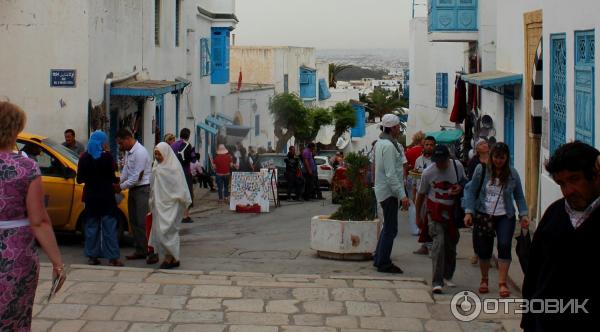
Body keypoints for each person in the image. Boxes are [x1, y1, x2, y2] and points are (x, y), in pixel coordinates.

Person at [521, 142, 600, 331]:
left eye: (575, 179)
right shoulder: (553, 215)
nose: (568, 191)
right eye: (562, 183)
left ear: (596, 176)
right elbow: (533, 275)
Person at [0, 101, 64, 330]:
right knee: (14, 318)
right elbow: (39, 220)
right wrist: (58, 263)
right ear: (16, 129)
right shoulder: (26, 168)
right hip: (15, 256)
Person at [463, 142, 529, 297]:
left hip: (506, 216)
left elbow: (519, 195)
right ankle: (484, 279)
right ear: (492, 157)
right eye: (496, 157)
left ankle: (502, 283)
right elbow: (471, 191)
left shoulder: (512, 174)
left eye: (502, 158)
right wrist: (468, 212)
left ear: (507, 158)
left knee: (505, 245)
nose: (499, 160)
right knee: (484, 249)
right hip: (484, 214)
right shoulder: (481, 170)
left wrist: (524, 214)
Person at [415, 145, 466, 293]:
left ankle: (447, 275)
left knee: (451, 245)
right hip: (434, 213)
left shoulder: (457, 167)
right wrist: (418, 216)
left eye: (443, 161)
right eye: (437, 161)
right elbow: (421, 195)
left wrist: (460, 188)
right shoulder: (428, 173)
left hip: (452, 213)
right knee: (438, 244)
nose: (440, 164)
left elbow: (465, 182)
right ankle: (437, 281)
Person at [76, 130, 123, 267]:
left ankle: (92, 256)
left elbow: (79, 179)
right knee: (109, 228)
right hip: (106, 197)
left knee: (92, 227)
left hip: (91, 197)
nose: (107, 144)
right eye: (105, 142)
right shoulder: (107, 157)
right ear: (102, 143)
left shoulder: (83, 157)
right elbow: (112, 177)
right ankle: (113, 257)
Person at [373, 114, 410, 273]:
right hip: (388, 192)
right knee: (391, 228)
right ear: (393, 128)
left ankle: (379, 258)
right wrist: (402, 194)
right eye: (398, 127)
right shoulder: (388, 146)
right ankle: (384, 262)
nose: (399, 130)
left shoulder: (382, 143)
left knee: (387, 227)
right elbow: (391, 174)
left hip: (384, 190)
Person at [148, 142, 192, 269]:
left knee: (168, 232)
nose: (157, 156)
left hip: (171, 207)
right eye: (155, 153)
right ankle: (173, 257)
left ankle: (170, 258)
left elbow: (179, 188)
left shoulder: (174, 168)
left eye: (159, 154)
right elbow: (153, 187)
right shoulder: (156, 167)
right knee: (160, 232)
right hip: (159, 206)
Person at [116, 128, 153, 262]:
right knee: (134, 221)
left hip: (142, 189)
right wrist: (119, 181)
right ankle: (140, 249)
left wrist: (119, 187)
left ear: (127, 139)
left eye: (121, 143)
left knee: (142, 221)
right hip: (133, 189)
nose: (120, 146)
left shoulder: (140, 152)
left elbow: (136, 177)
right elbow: (126, 170)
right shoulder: (129, 153)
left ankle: (148, 249)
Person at [465, 138, 490, 265]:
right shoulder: (474, 162)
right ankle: (477, 253)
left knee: (489, 230)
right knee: (478, 228)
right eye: (481, 144)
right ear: (477, 149)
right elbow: (471, 183)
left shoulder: (493, 160)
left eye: (485, 143)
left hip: (491, 199)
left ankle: (486, 255)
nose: (485, 145)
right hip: (477, 199)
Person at [412, 136, 436, 251]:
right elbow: (414, 178)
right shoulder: (418, 160)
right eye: (427, 144)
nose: (429, 147)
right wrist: (413, 193)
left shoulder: (436, 161)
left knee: (431, 220)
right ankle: (425, 244)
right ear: (423, 145)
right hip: (419, 194)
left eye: (431, 145)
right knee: (421, 219)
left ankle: (432, 244)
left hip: (432, 194)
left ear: (434, 146)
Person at [171, 128, 195, 224]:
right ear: (188, 136)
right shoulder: (188, 145)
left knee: (176, 193)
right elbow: (193, 159)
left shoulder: (173, 145)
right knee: (187, 193)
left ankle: (175, 215)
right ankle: (185, 215)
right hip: (185, 172)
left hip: (175, 173)